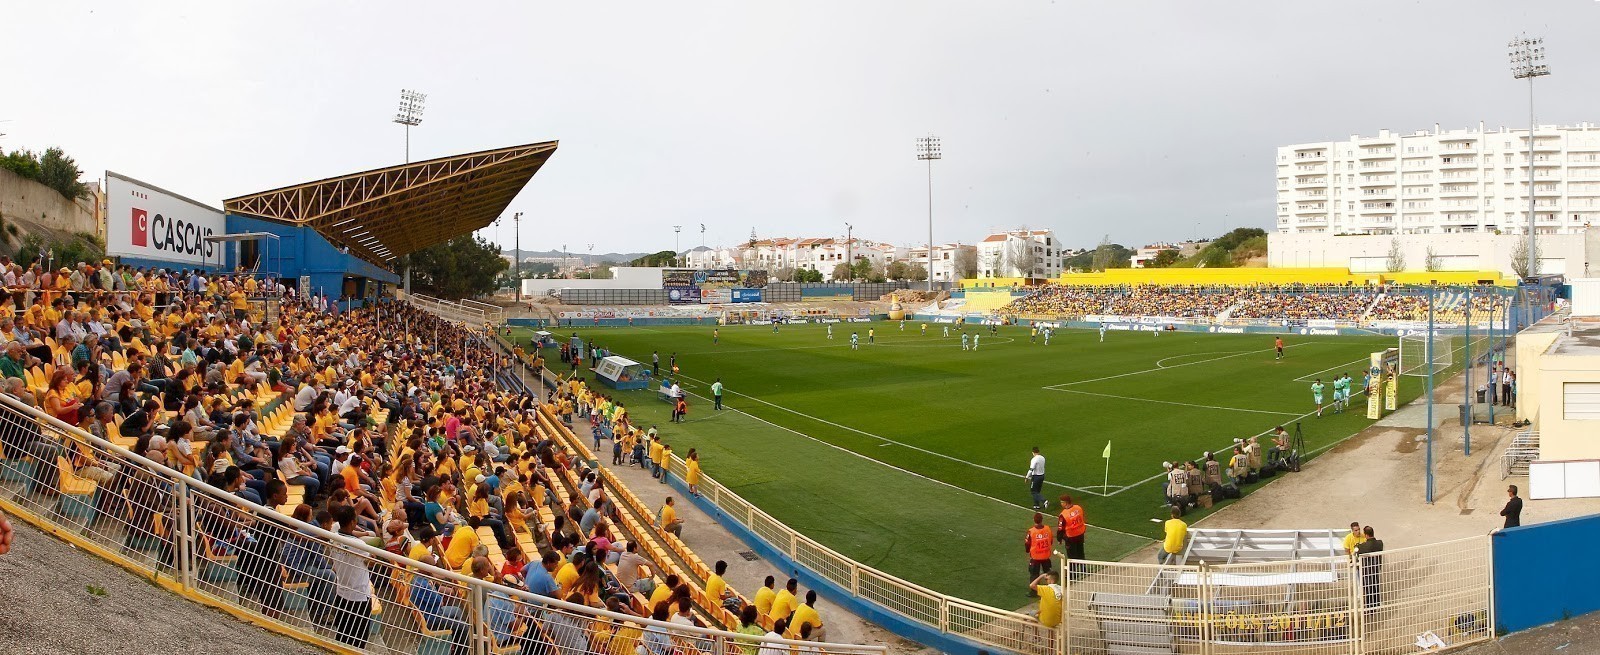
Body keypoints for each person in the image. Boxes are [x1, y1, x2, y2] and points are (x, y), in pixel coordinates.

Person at [1354, 526, 1384, 609]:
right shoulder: (1379, 543)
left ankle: (1369, 607)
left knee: (1368, 589)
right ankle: (1376, 604)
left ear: (1366, 535)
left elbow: (1356, 552)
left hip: (1366, 570)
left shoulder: (1361, 547)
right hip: (1376, 568)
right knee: (1376, 586)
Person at [1056, 494, 1086, 575]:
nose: (1061, 504)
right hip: (1080, 534)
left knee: (1072, 557)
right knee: (1081, 553)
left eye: (1061, 502)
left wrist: (1059, 539)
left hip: (1071, 537)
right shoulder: (1078, 508)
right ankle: (1084, 570)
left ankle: (1073, 574)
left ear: (1065, 503)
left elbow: (1060, 528)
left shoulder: (1064, 514)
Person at [1025, 512, 1053, 592]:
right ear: (1042, 520)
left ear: (1034, 520)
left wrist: (1027, 550)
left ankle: (1034, 591)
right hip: (1046, 555)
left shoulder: (1031, 531)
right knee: (1048, 573)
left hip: (1035, 557)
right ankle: (1051, 589)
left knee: (1034, 574)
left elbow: (1027, 543)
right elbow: (1051, 540)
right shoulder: (1047, 529)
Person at [1026, 446, 1046, 510]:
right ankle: (1036, 505)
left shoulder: (1034, 459)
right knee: (1037, 491)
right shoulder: (1042, 458)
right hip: (1042, 476)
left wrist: (1027, 477)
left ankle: (1044, 501)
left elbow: (1031, 469)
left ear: (1033, 452)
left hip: (1036, 477)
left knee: (1033, 492)